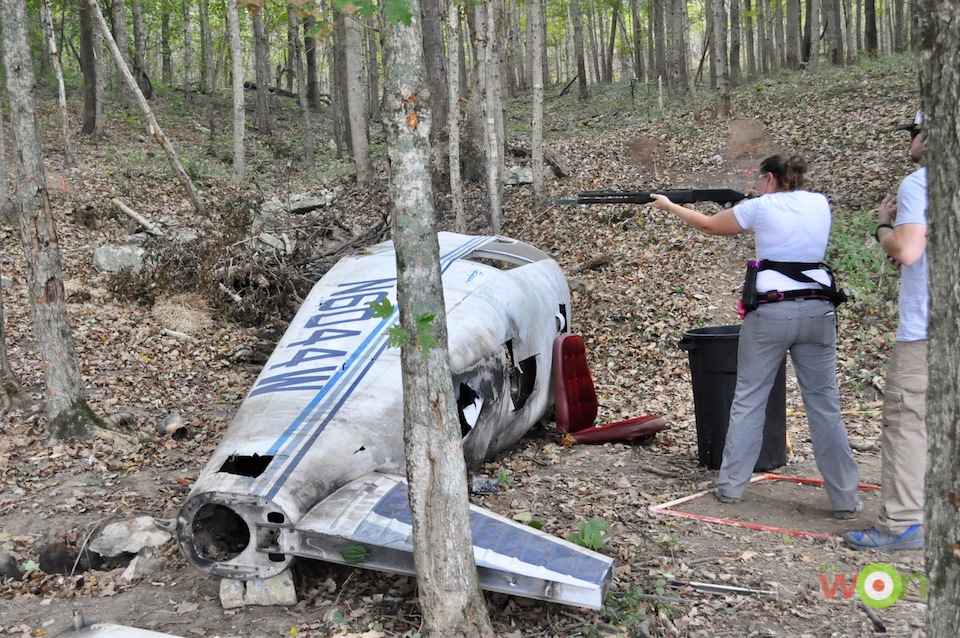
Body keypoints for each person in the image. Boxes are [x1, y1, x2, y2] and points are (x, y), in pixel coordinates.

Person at [650, 155, 862, 518]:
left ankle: (732, 488)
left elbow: (709, 226)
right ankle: (845, 500)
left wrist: (669, 205)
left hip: (771, 313)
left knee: (749, 398)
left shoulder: (759, 206)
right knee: (825, 405)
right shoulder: (819, 201)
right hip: (818, 310)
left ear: (768, 178)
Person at [845, 111, 928, 551]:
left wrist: (884, 228)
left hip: (929, 328)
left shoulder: (921, 181)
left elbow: (909, 250)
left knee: (907, 420)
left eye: (914, 132)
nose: (910, 141)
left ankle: (901, 525)